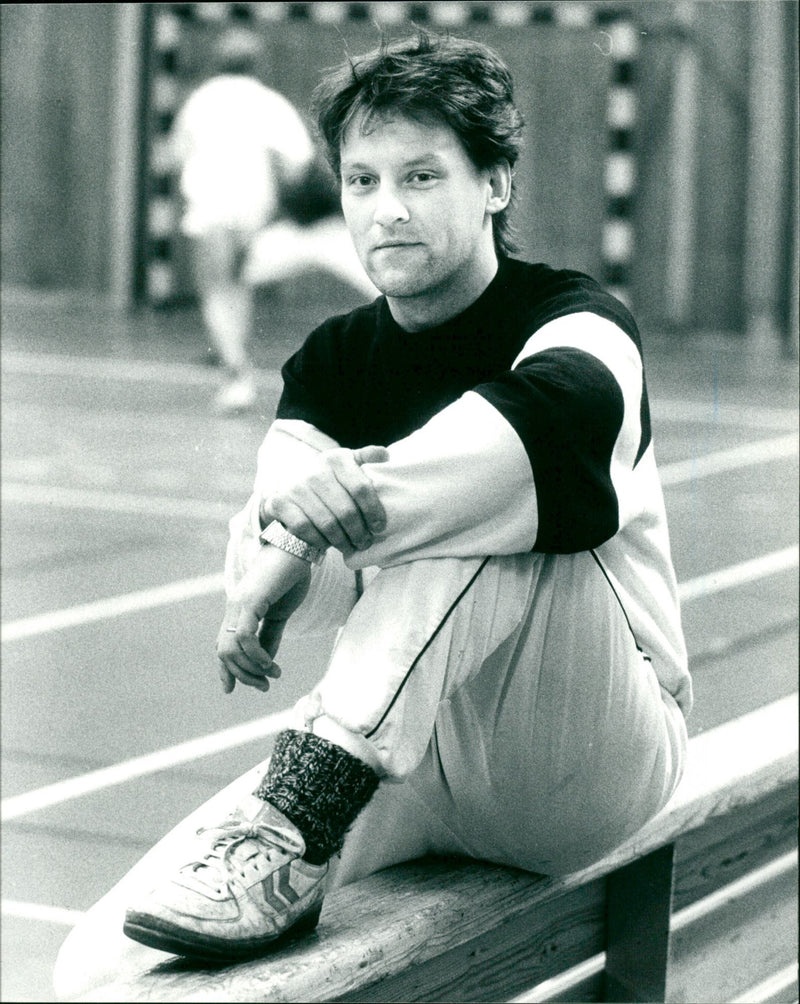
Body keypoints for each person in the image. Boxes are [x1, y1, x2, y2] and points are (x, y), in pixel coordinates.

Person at [54, 30, 691, 992]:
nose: (386, 211)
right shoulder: (335, 361)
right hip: (417, 761)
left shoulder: (580, 323)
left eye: (423, 177)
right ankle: (296, 817)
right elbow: (281, 598)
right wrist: (288, 549)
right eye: (362, 181)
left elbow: (536, 451)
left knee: (492, 505)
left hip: (594, 754)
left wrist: (320, 524)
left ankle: (302, 804)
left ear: (495, 184)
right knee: (103, 966)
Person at [170, 27, 376, 413]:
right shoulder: (269, 103)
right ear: (255, 64)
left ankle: (236, 374)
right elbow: (299, 163)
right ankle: (237, 371)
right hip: (254, 214)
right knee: (237, 284)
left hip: (212, 211)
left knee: (218, 290)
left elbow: (178, 154)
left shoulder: (198, 102)